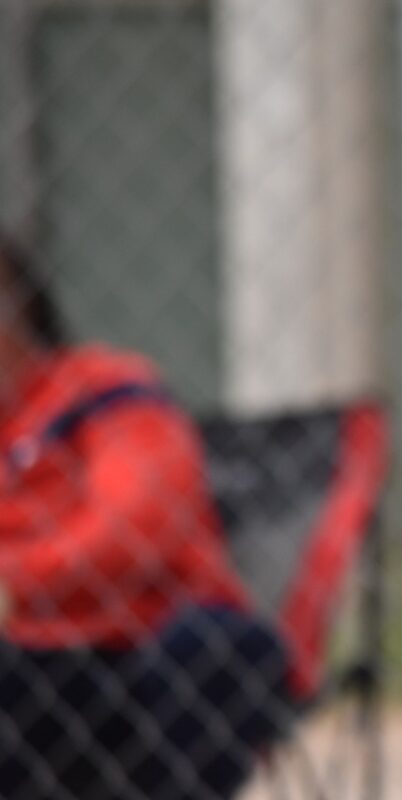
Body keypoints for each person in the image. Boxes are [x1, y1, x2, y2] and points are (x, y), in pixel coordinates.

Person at [0, 233, 291, 799]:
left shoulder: (101, 389)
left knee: (217, 649)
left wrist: (15, 581)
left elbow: (134, 531)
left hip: (137, 650)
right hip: (22, 664)